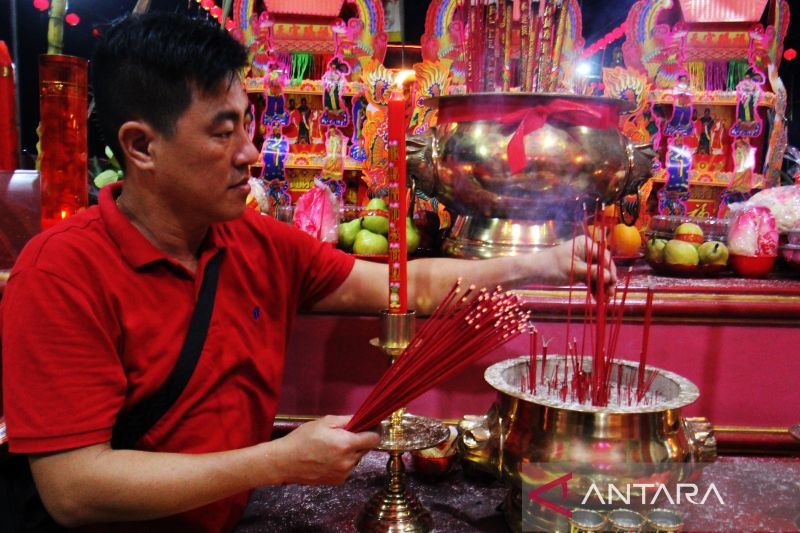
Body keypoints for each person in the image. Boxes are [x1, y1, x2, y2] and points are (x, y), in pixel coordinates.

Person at [0, 13, 615, 533]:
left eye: (246, 122)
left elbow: (402, 288)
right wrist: (276, 462)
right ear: (141, 147)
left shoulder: (256, 241)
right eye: (222, 132)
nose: (248, 151)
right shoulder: (60, 274)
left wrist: (548, 262)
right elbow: (74, 487)